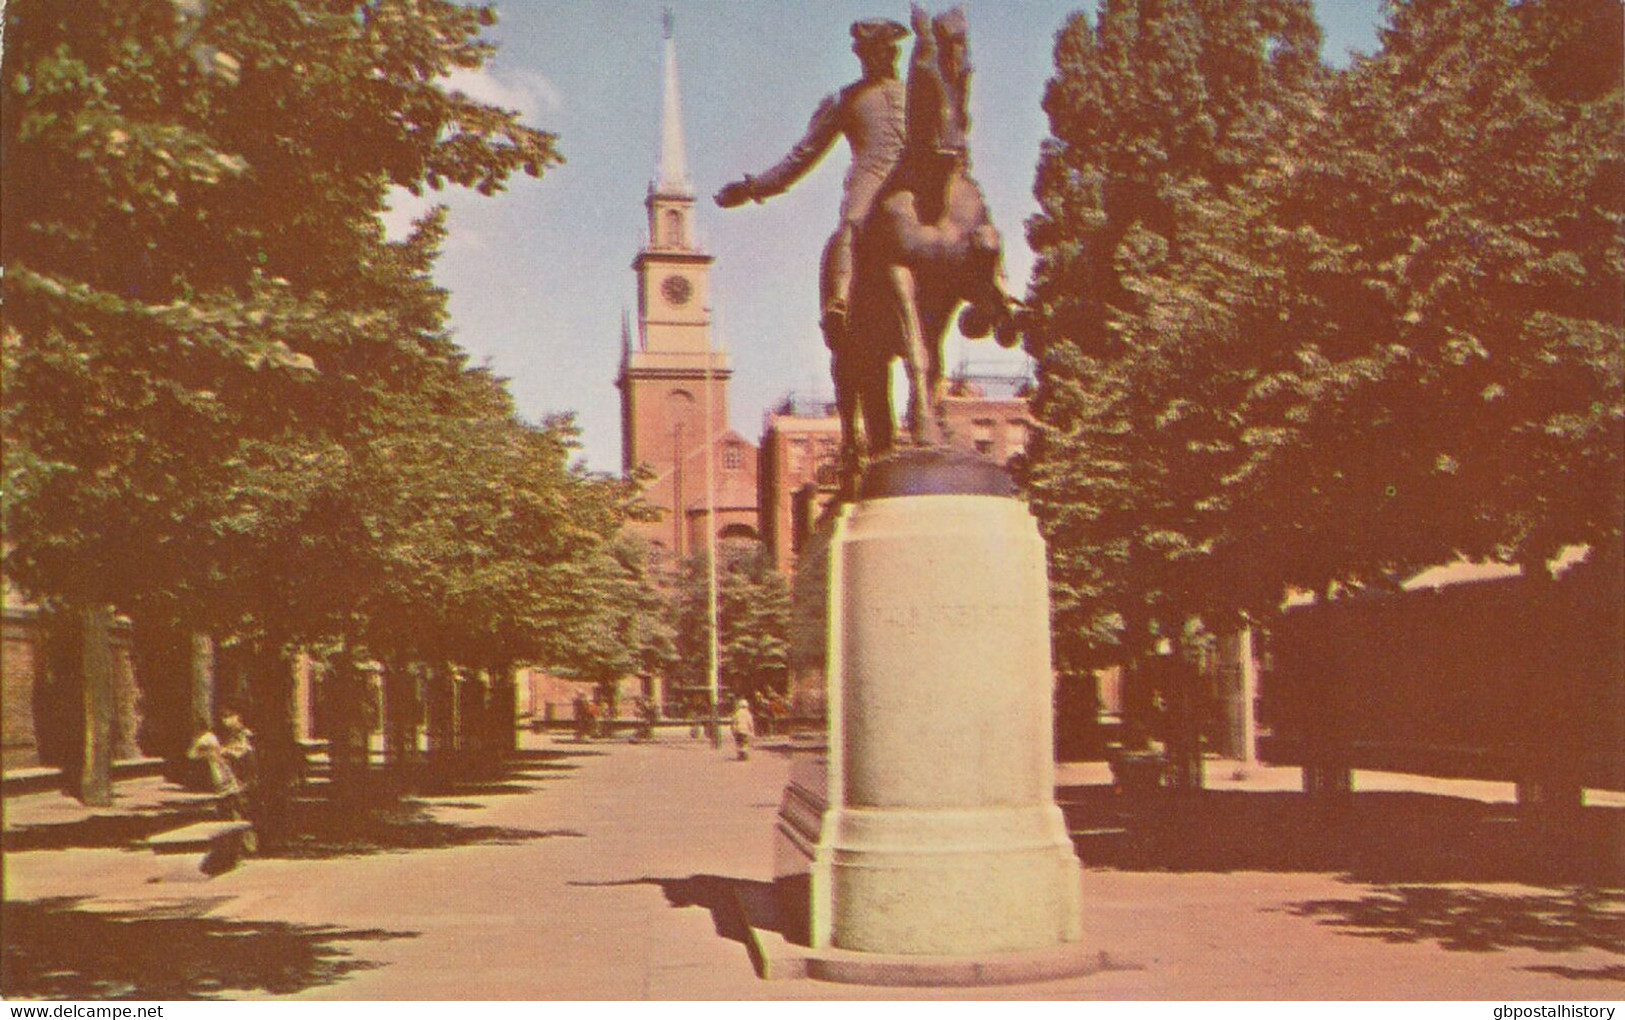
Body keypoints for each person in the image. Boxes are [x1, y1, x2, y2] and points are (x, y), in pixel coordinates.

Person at [715, 18, 910, 347]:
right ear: (862, 56)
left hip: (912, 177)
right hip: (872, 176)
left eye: (888, 51)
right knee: (854, 221)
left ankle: (997, 292)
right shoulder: (844, 101)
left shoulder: (917, 94)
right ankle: (842, 299)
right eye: (874, 53)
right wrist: (752, 188)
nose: (883, 59)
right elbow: (803, 155)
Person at [730, 696, 756, 761]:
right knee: (745, 743)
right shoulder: (748, 714)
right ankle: (745, 755)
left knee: (739, 743)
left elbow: (733, 722)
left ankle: (740, 755)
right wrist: (752, 731)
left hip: (738, 730)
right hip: (745, 730)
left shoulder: (737, 713)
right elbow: (750, 723)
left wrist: (733, 730)